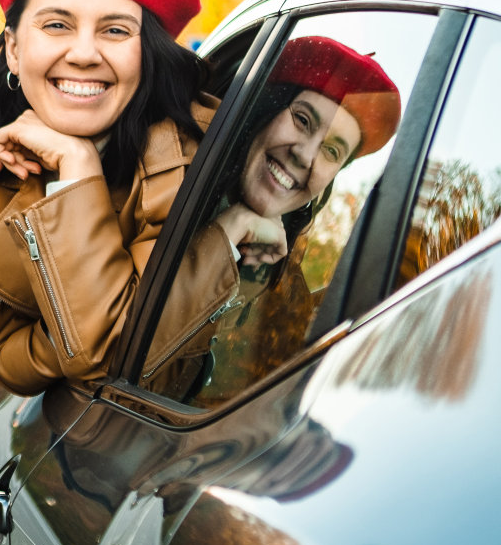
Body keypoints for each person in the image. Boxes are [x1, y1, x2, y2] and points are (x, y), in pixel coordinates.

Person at [0, 0, 247, 395]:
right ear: (15, 50)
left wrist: (77, 170)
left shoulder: (193, 155)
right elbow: (2, 357)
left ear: (147, 55)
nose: (83, 53)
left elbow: (115, 358)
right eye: (57, 25)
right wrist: (77, 162)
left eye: (116, 30)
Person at [150, 35, 402, 402]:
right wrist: (227, 232)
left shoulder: (286, 298)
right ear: (265, 112)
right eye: (302, 120)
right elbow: (113, 352)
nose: (305, 155)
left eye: (331, 150)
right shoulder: (155, 186)